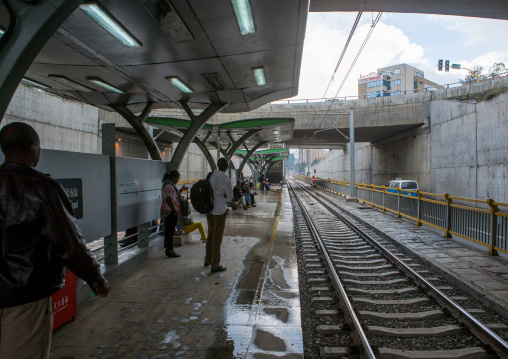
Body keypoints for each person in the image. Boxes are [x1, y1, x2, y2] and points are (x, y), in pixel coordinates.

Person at [0, 122, 110, 359]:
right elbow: (70, 245)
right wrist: (97, 280)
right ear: (33, 149)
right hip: (24, 295)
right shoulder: (43, 188)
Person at [205, 158, 233, 273]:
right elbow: (230, 198)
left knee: (210, 234)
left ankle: (207, 259)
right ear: (226, 167)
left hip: (209, 210)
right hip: (220, 211)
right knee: (217, 238)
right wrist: (222, 196)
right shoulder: (226, 179)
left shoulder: (211, 175)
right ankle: (215, 265)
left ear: (217, 165)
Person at [161, 170, 187, 258]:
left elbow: (173, 196)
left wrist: (181, 190)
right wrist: (174, 210)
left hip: (170, 211)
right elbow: (169, 199)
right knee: (169, 231)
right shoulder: (169, 186)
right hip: (170, 211)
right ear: (173, 177)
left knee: (170, 231)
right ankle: (170, 250)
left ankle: (169, 249)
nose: (178, 181)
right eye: (177, 178)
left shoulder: (171, 185)